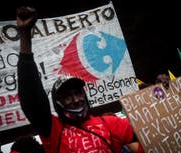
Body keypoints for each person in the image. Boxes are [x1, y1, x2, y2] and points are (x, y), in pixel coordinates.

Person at [16, 6, 143, 153]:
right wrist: (25, 35)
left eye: (78, 93)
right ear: (58, 103)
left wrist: (163, 94)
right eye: (68, 97)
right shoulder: (54, 131)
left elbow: (152, 134)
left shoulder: (110, 124)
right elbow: (32, 98)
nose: (76, 100)